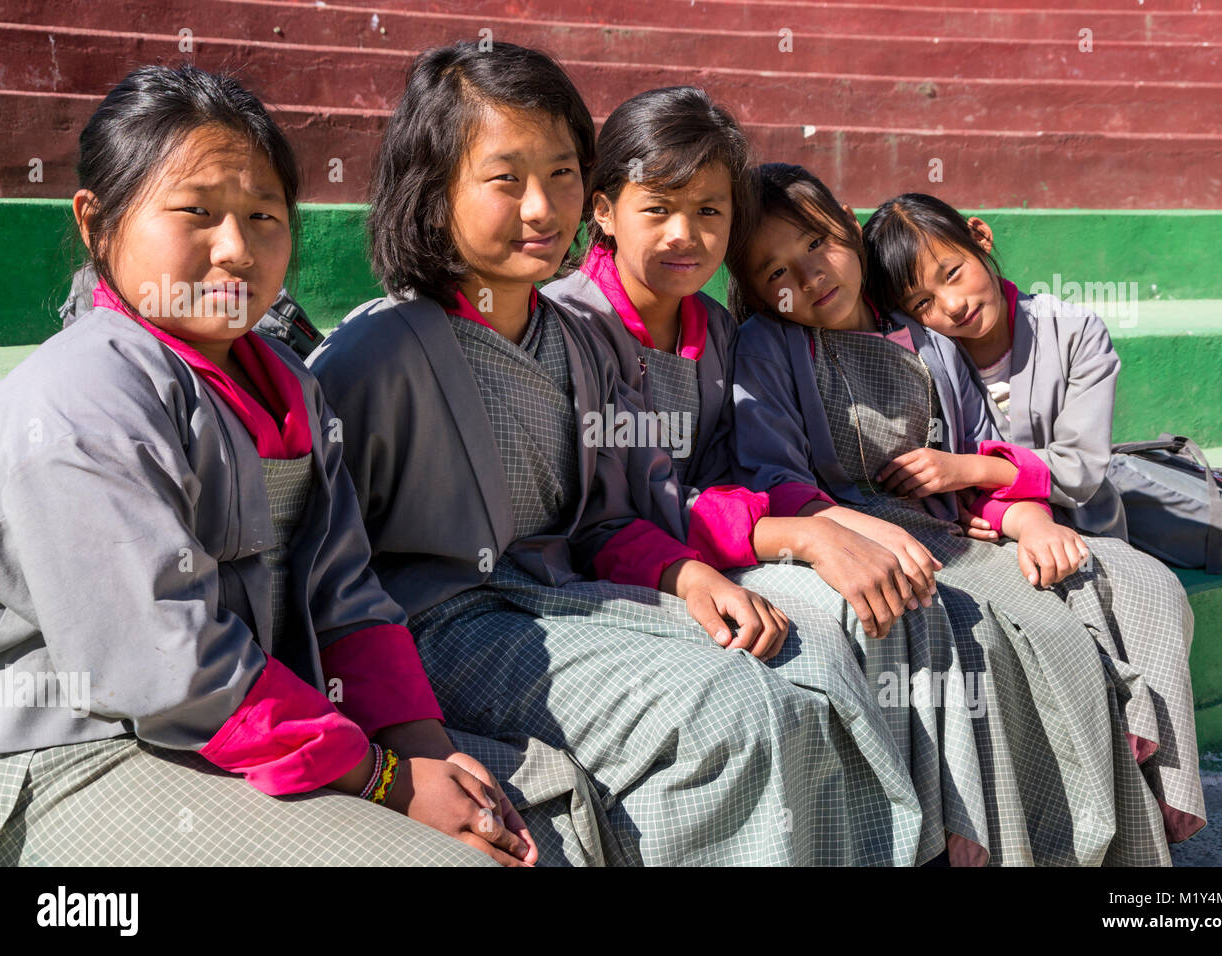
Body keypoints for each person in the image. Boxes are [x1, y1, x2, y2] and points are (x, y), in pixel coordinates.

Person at [309, 42, 925, 865]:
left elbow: (602, 518)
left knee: (798, 683)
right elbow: (328, 575)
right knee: (728, 714)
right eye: (505, 178)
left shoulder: (572, 339)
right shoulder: (376, 356)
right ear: (434, 189)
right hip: (444, 628)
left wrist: (688, 574)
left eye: (562, 173)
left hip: (565, 600)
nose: (542, 207)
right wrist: (407, 740)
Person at [0, 64, 613, 868]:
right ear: (95, 221)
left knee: (530, 817)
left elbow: (346, 595)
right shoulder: (81, 394)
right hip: (80, 749)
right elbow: (165, 665)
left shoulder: (291, 388)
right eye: (196, 213)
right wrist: (384, 778)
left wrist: (423, 749)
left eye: (264, 215)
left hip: (253, 723)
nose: (236, 250)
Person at [546, 86, 997, 865]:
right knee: (820, 643)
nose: (687, 235)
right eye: (657, 209)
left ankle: (930, 841)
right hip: (593, 581)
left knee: (890, 593)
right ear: (604, 210)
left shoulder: (715, 332)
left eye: (711, 211)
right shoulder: (570, 328)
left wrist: (804, 530)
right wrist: (796, 535)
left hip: (705, 551)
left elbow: (724, 475)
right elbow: (596, 522)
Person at [726, 162, 1174, 864]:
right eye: (775, 272)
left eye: (816, 244)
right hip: (851, 534)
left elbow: (974, 454)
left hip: (949, 532)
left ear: (846, 222)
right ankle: (977, 838)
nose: (809, 277)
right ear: (754, 293)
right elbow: (773, 475)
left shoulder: (927, 338)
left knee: (1077, 604)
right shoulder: (768, 346)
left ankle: (1103, 820)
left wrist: (1027, 520)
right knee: (987, 637)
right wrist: (855, 525)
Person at [863, 192, 1205, 842]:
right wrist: (1014, 514)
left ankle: (1164, 808)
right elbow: (955, 503)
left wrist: (976, 470)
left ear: (981, 239)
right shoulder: (938, 355)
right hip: (995, 544)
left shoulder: (1073, 331)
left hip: (1086, 530)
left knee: (1153, 594)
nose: (952, 306)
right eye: (925, 302)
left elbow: (1077, 470)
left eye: (953, 273)